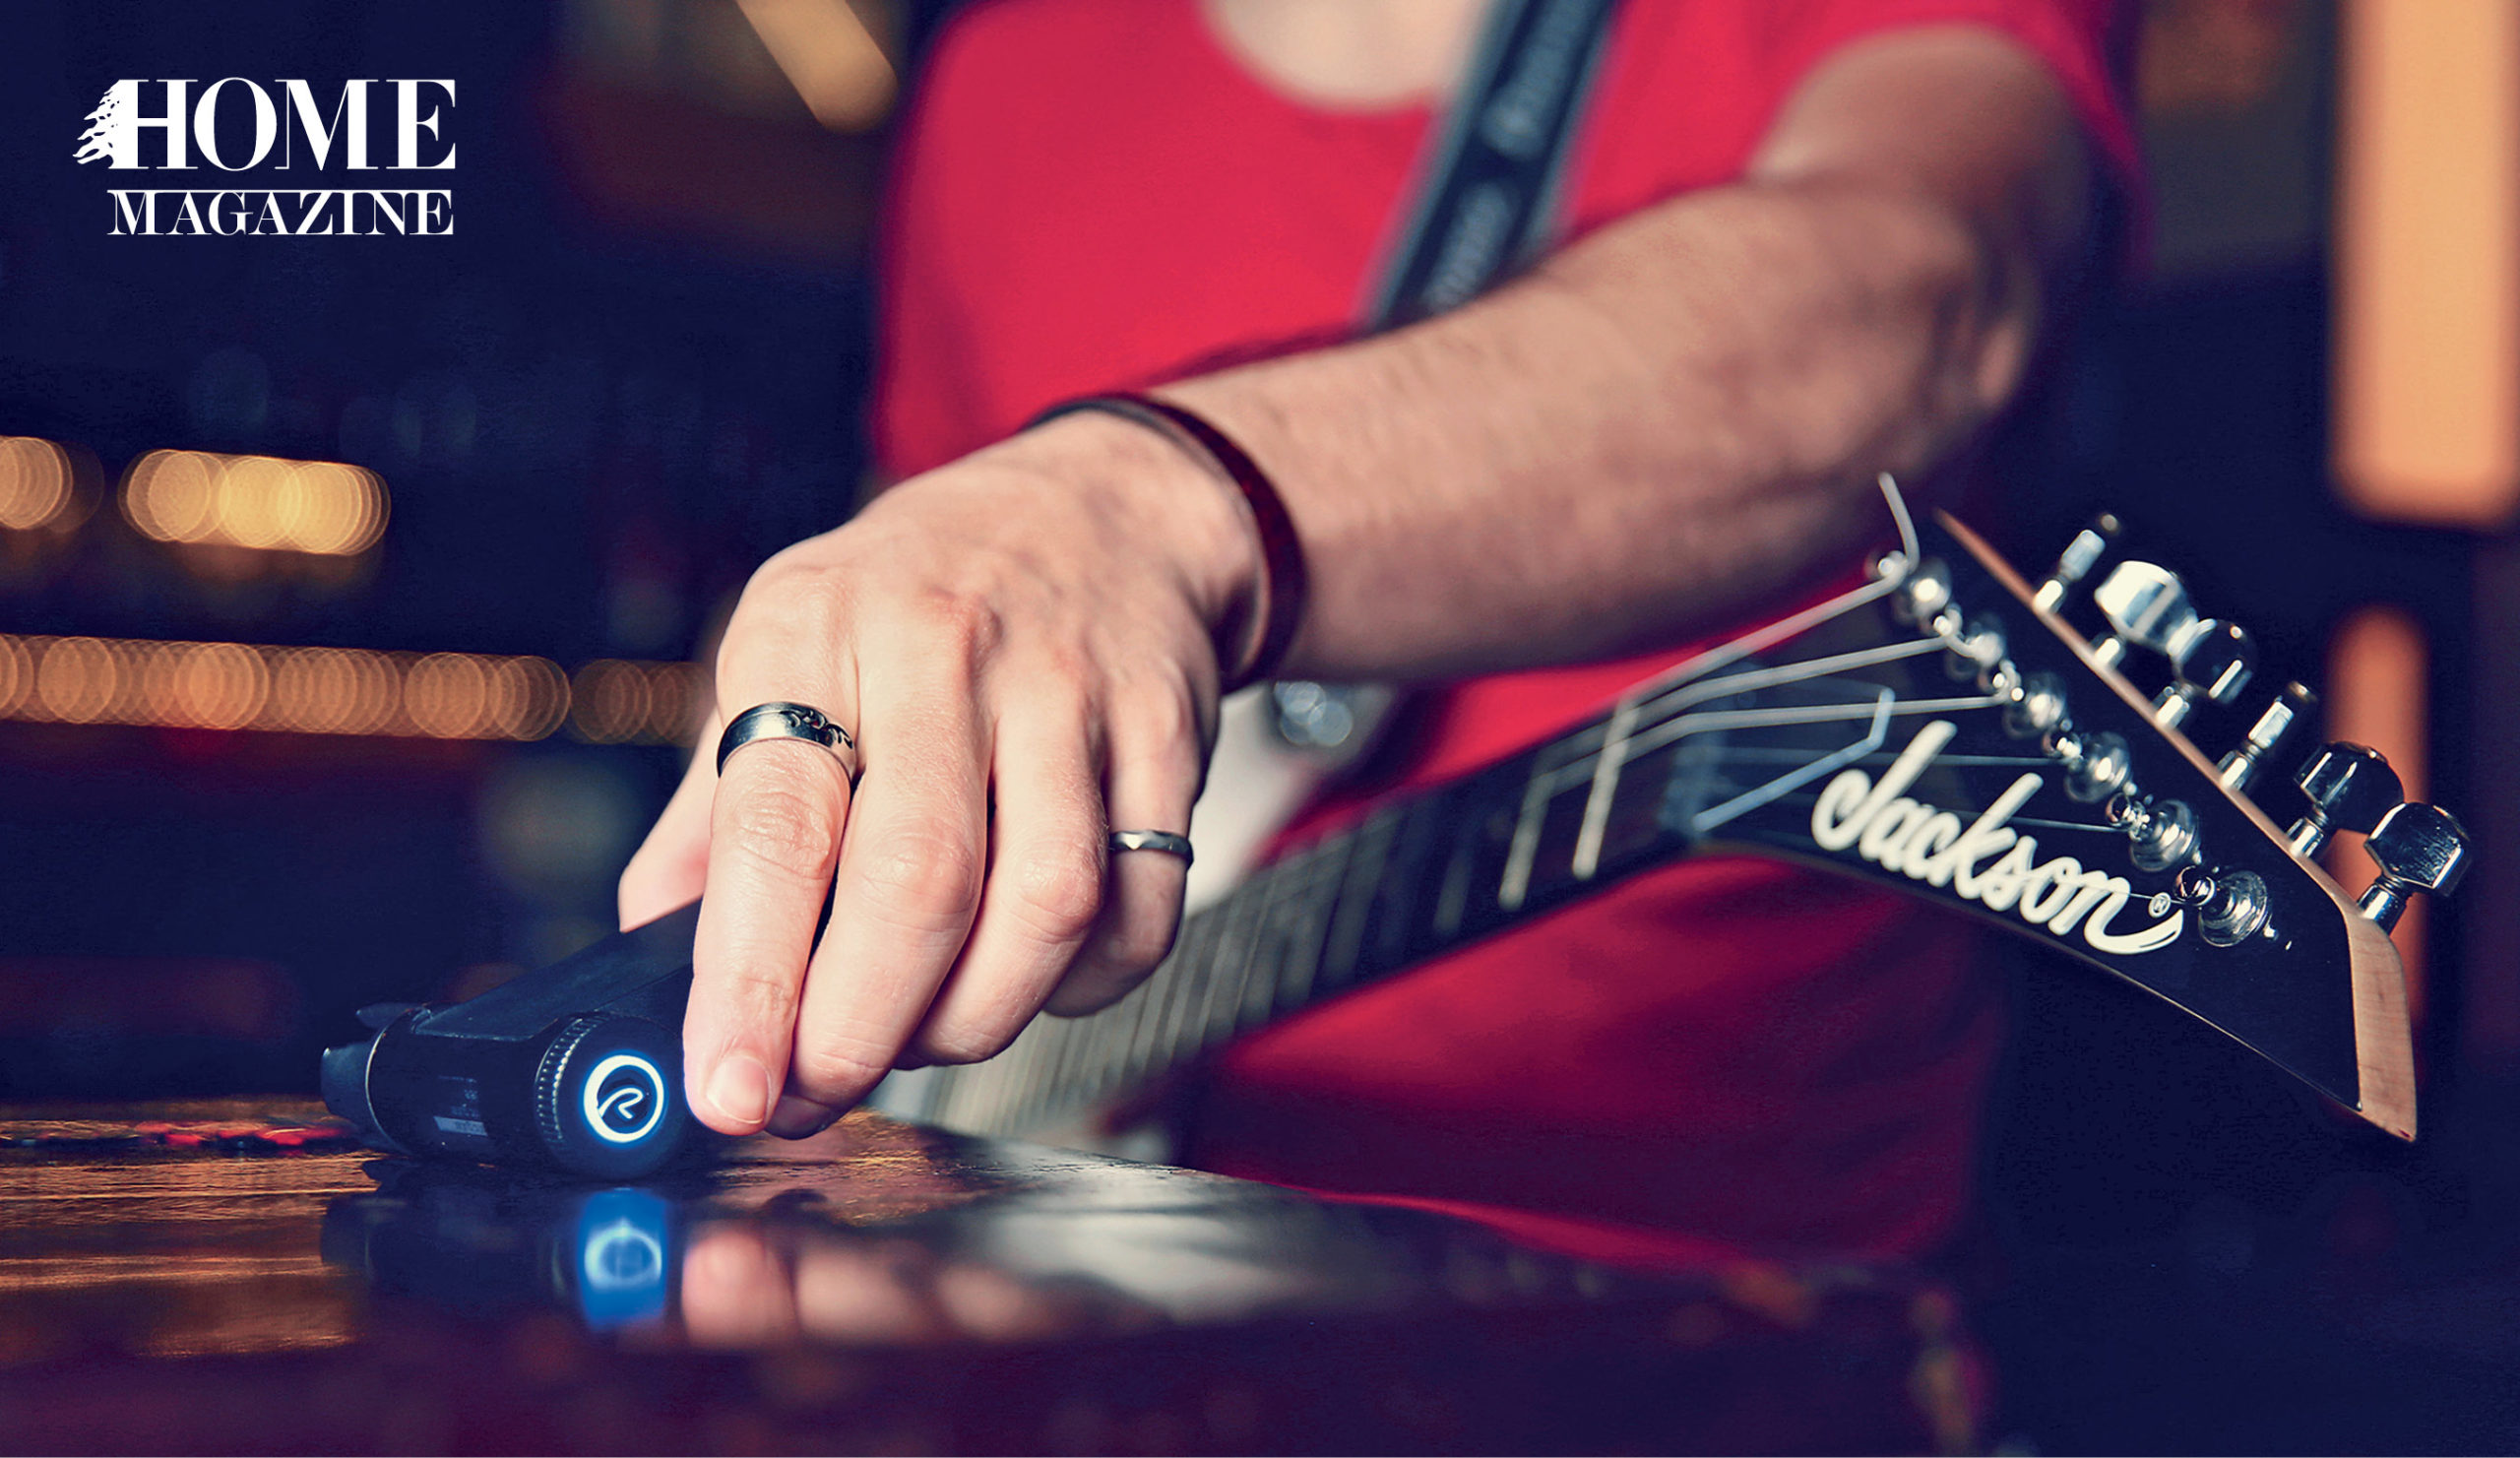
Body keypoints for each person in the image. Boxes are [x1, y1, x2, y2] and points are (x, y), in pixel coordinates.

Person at [619, 0, 2136, 1261]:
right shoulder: (1008, 74)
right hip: (1100, 1302)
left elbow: (1916, 300)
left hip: (1722, 1348)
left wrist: (1151, 504)